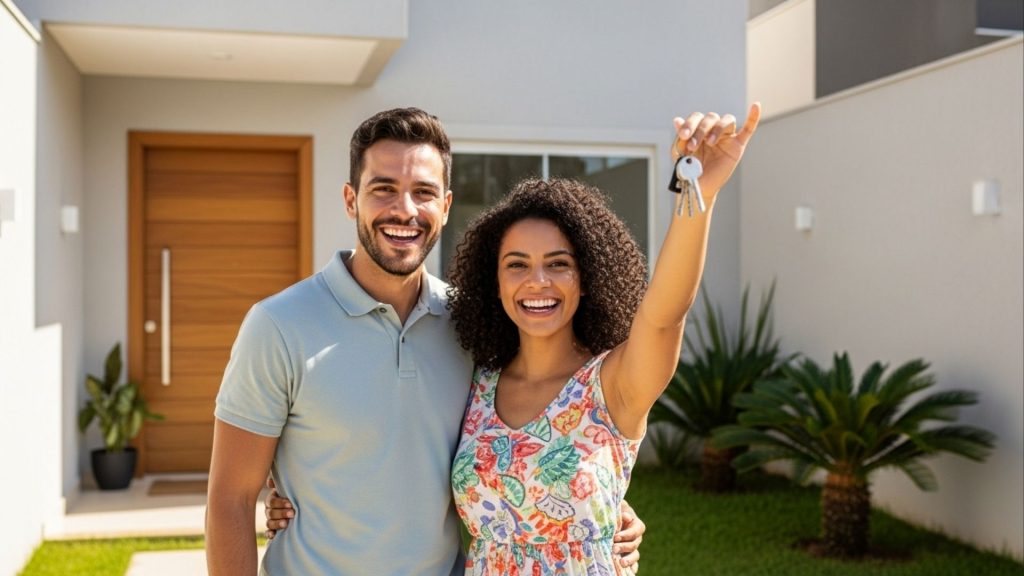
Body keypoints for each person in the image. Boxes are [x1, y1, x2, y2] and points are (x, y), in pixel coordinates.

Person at [264, 104, 762, 574]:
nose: (537, 282)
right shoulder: (478, 378)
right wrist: (298, 495)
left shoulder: (614, 385)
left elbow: (664, 315)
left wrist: (697, 193)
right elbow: (400, 452)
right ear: (494, 282)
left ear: (587, 278)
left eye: (558, 264)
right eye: (517, 265)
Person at [206, 107, 644, 576]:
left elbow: (526, 441)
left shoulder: (471, 326)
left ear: (446, 206)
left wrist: (603, 505)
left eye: (423, 192)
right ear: (351, 199)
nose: (405, 210)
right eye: (383, 189)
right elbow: (231, 500)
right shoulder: (278, 325)